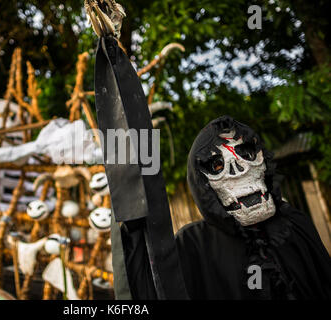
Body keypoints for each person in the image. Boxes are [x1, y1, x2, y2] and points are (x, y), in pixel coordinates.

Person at [119, 115, 331, 299]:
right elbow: (151, 291)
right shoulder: (193, 244)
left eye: (246, 154)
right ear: (202, 183)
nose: (239, 170)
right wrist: (134, 229)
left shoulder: (292, 223)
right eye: (218, 166)